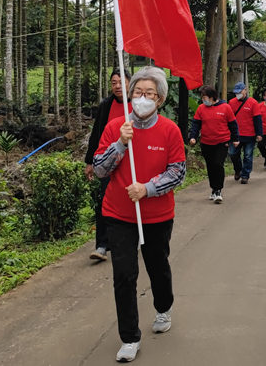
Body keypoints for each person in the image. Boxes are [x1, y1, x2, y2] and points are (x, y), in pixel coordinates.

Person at [92, 66, 185, 363]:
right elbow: (99, 169)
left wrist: (148, 188)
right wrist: (120, 143)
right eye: (137, 93)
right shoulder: (116, 127)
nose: (142, 98)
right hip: (119, 214)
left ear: (159, 100)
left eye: (149, 94)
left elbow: (177, 172)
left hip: (157, 215)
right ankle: (129, 337)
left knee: (157, 266)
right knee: (124, 274)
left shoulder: (170, 130)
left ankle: (163, 306)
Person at [84, 68, 131, 262]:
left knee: (131, 198)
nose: (118, 86)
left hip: (132, 162)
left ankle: (132, 238)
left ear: (130, 82)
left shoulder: (137, 104)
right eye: (114, 83)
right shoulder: (106, 105)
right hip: (109, 161)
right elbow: (97, 134)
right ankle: (102, 245)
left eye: (121, 82)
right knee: (104, 200)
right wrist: (90, 161)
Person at [188, 86, 238, 203]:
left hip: (222, 142)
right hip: (206, 142)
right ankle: (213, 188)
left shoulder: (225, 107)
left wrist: (235, 139)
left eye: (205, 97)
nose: (203, 100)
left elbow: (233, 125)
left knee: (218, 164)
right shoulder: (201, 109)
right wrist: (193, 137)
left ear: (212, 97)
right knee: (210, 166)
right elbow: (196, 124)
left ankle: (218, 190)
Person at [228, 82, 262, 184]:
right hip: (235, 135)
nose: (238, 94)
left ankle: (245, 175)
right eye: (236, 92)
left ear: (245, 90)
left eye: (239, 92)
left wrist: (259, 133)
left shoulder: (253, 103)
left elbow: (257, 119)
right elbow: (228, 119)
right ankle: (238, 169)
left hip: (249, 134)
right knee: (233, 154)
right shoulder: (231, 102)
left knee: (247, 155)